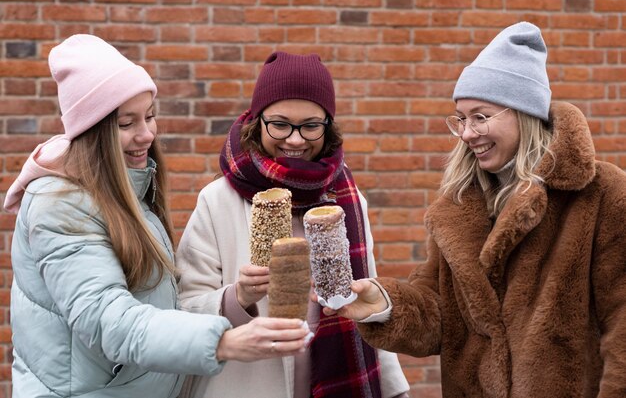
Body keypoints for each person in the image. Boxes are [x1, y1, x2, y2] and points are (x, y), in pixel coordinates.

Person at [321, 21, 626, 398]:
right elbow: (438, 315)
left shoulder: (601, 196)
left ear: (523, 112)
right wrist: (383, 305)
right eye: (461, 119)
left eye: (480, 116)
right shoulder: (459, 206)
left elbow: (622, 327)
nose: (466, 133)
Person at [4, 35, 311, 398]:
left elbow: (161, 305)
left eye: (149, 116)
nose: (146, 134)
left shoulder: (129, 192)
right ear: (92, 131)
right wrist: (222, 342)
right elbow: (110, 323)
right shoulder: (59, 205)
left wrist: (236, 297)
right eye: (125, 123)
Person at [175, 51, 410, 398]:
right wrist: (238, 297)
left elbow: (365, 303)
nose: (296, 140)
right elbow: (183, 308)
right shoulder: (218, 200)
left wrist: (394, 391)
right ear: (258, 121)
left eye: (310, 125)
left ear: (327, 126)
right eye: (281, 124)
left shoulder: (347, 199)